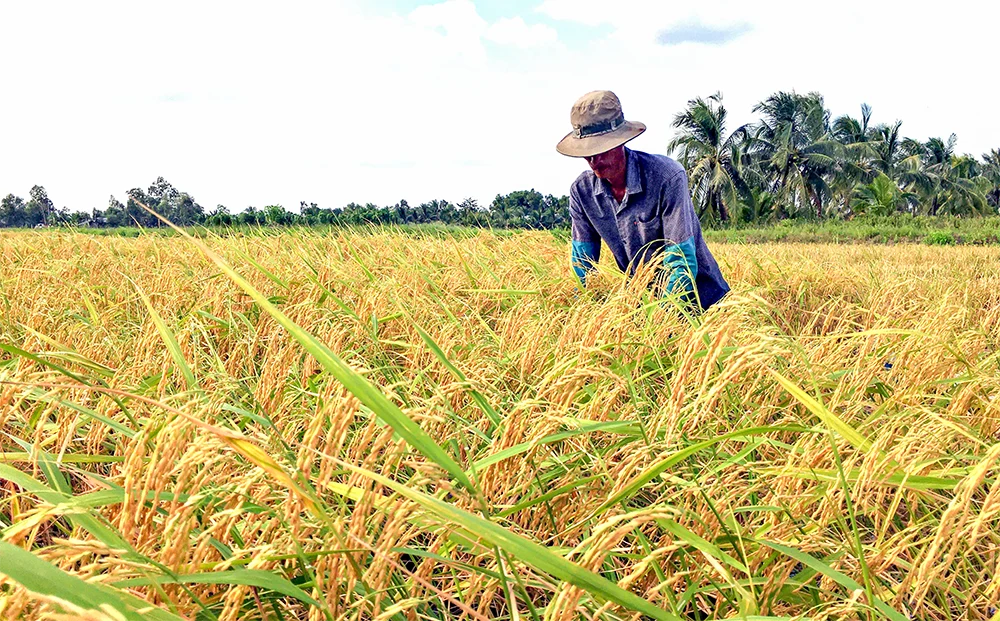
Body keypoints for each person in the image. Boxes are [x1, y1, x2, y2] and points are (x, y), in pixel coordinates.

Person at [556, 90, 729, 311]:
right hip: (644, 304)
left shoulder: (666, 178)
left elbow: (681, 262)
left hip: (704, 303)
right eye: (586, 153)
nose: (593, 160)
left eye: (600, 149)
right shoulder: (582, 192)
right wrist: (582, 314)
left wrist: (660, 322)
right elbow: (584, 266)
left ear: (619, 142)